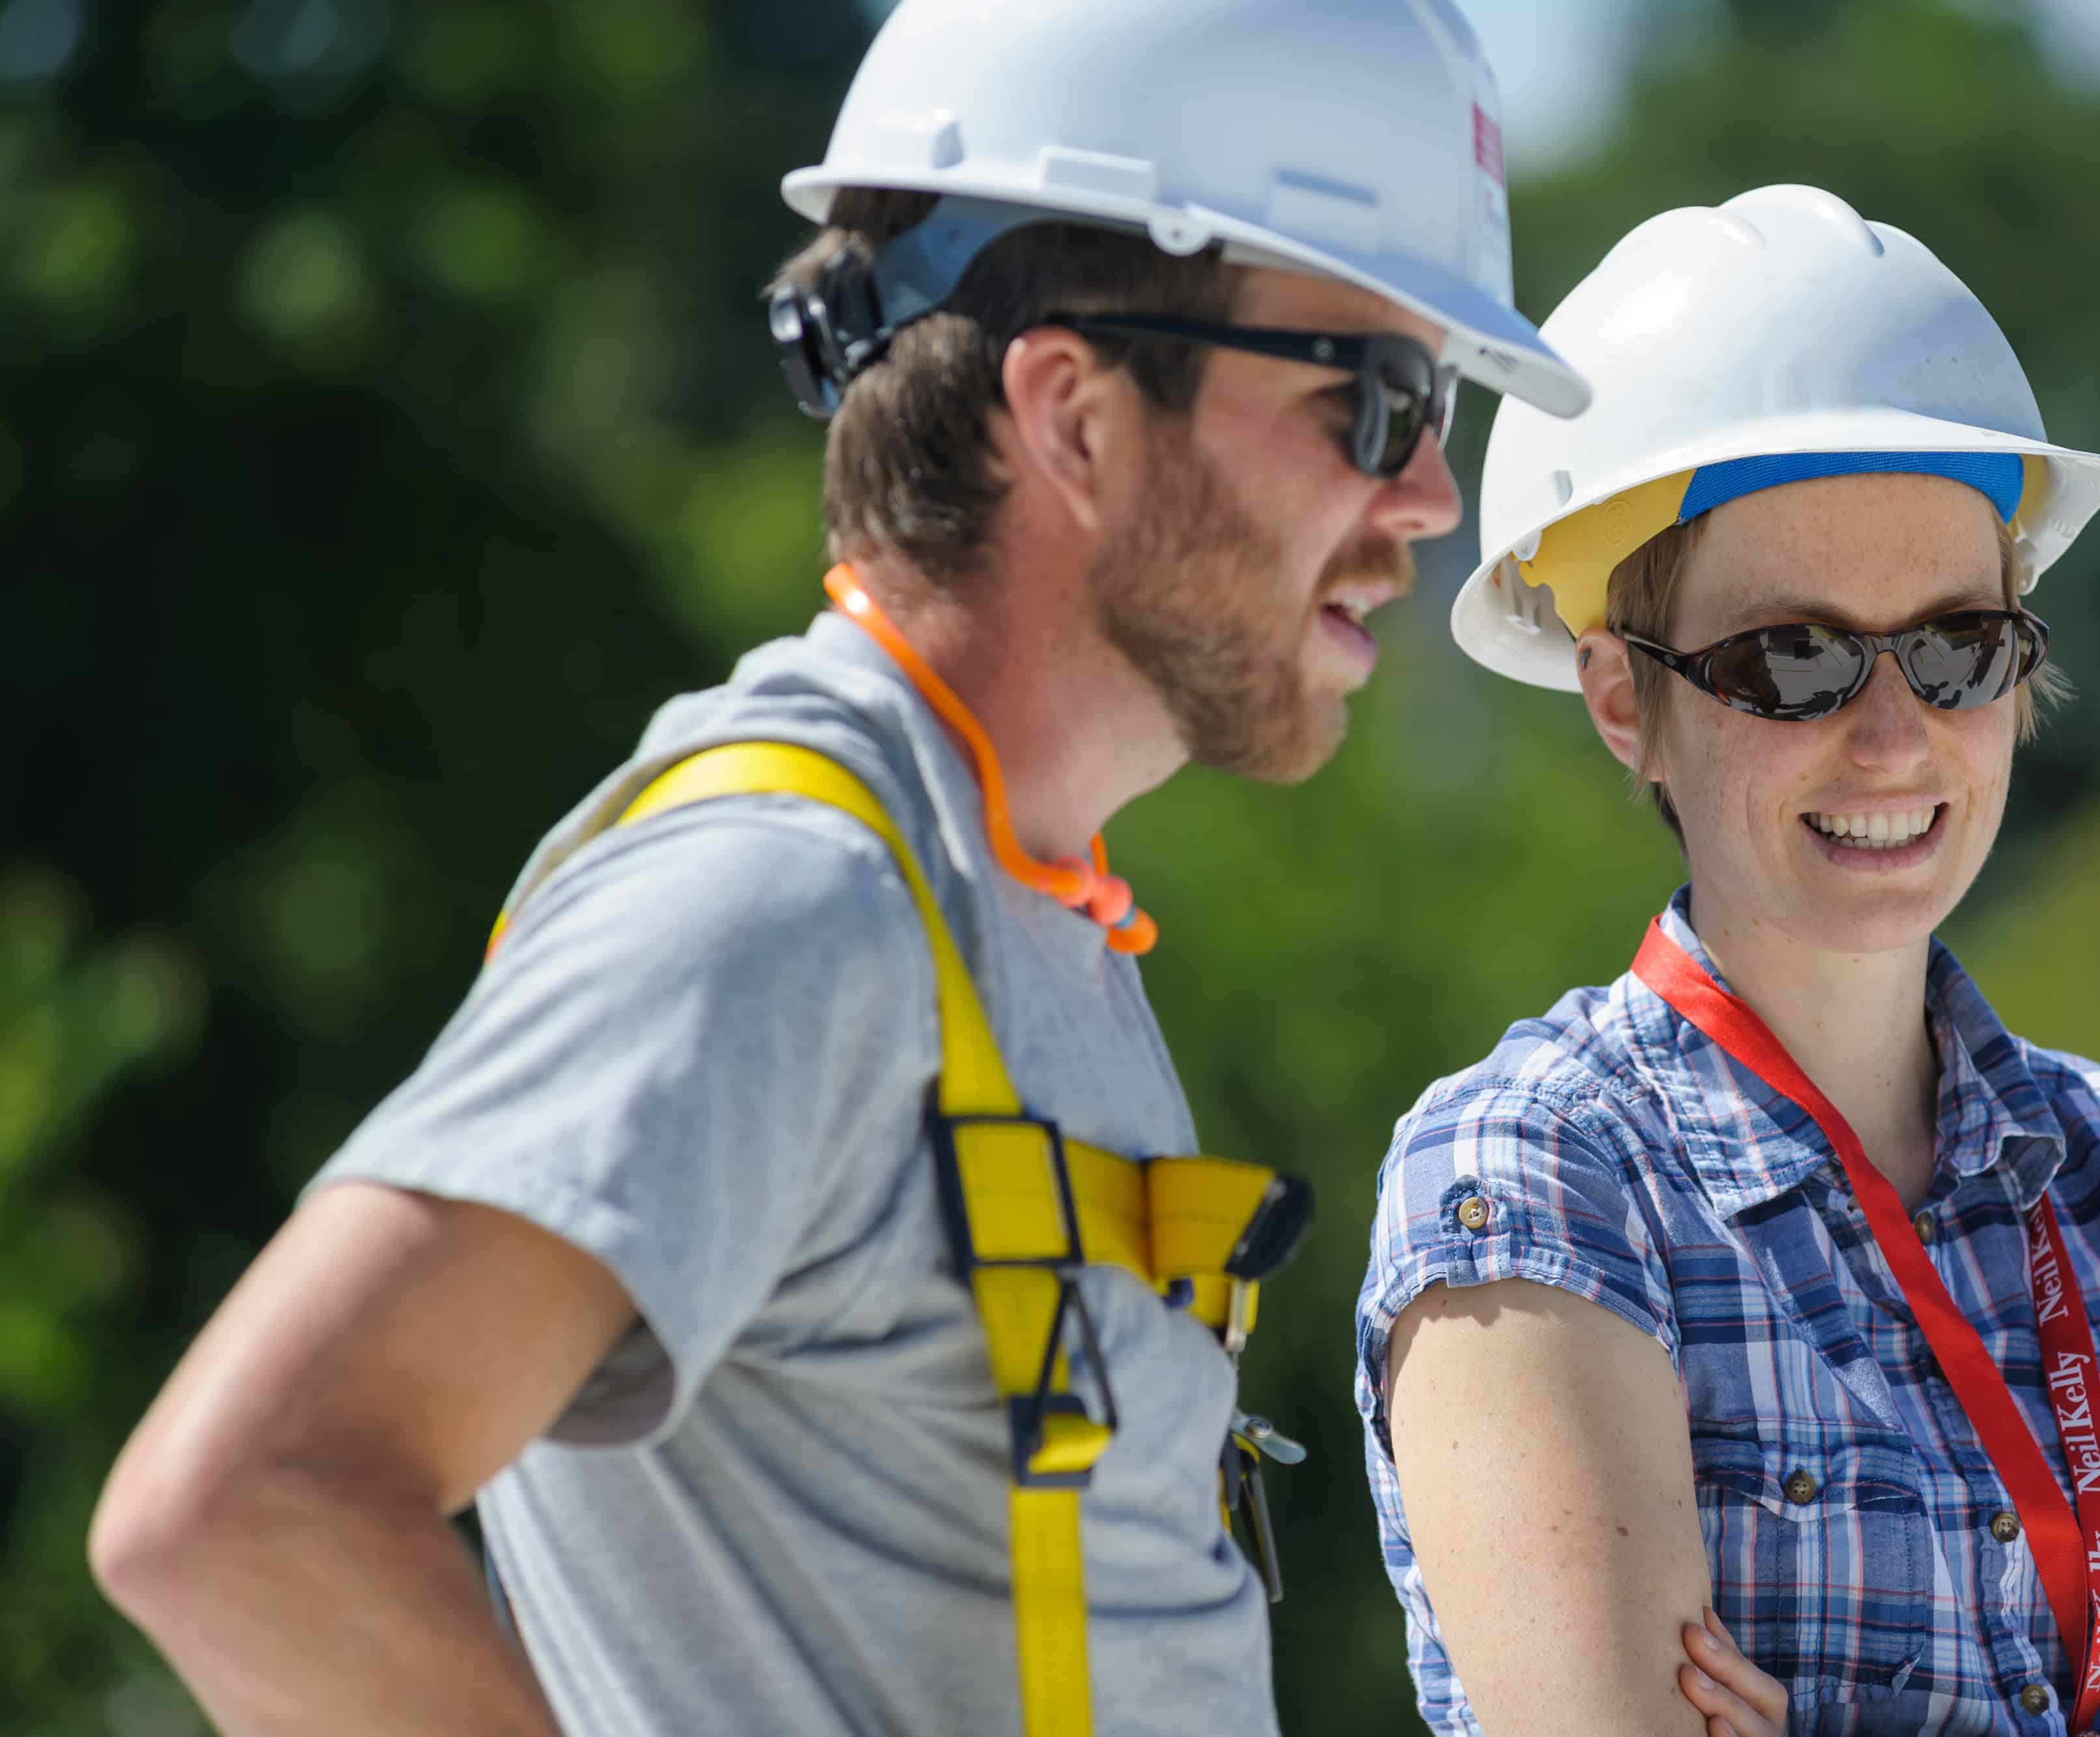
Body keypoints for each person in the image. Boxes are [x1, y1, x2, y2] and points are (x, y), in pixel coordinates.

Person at [85, 4, 1590, 1734]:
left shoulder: (1003, 908)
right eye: (1375, 397)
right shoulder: (782, 897)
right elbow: (241, 1512)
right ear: (1074, 413)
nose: (1424, 495)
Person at [1355, 186, 2100, 1736]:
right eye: (1790, 657)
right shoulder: (1531, 1177)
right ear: (1619, 701)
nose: (1891, 734)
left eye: (1955, 648)